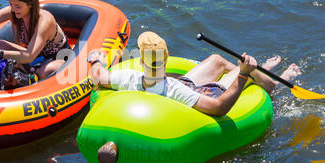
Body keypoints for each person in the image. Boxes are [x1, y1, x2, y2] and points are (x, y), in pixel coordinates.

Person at [89, 31, 301, 117]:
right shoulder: (173, 91)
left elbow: (99, 76)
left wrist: (96, 59)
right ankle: (272, 82)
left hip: (180, 84)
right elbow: (218, 109)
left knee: (216, 60)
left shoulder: (127, 77)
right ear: (168, 55)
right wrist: (243, 75)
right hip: (197, 95)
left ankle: (253, 68)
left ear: (141, 59)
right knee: (243, 70)